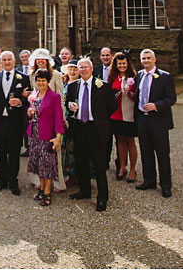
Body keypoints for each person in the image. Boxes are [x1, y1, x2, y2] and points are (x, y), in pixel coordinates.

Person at [66, 58, 117, 211]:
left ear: (91, 69)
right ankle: (85, 190)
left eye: (85, 67)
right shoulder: (73, 86)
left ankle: (102, 197)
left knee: (99, 164)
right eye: (80, 67)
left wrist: (99, 117)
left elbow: (112, 107)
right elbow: (68, 102)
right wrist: (70, 105)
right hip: (79, 127)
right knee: (81, 161)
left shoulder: (103, 86)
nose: (82, 70)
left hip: (95, 128)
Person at [134, 49, 177, 198]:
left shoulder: (165, 77)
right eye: (143, 58)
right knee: (146, 152)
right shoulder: (139, 75)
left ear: (154, 59)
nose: (145, 61)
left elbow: (171, 98)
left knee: (162, 154)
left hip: (158, 120)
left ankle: (165, 185)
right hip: (142, 119)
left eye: (148, 58)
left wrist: (156, 105)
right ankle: (149, 180)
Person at [24, 48, 67, 192]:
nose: (41, 61)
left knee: (52, 154)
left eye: (43, 59)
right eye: (38, 59)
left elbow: (60, 97)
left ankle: (56, 182)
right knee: (37, 154)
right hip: (37, 121)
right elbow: (34, 96)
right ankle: (39, 181)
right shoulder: (31, 75)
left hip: (52, 118)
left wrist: (61, 120)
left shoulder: (56, 75)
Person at [0, 51, 29, 195]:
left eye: (9, 59)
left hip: (15, 121)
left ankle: (13, 181)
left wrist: (20, 101)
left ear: (14, 60)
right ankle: (1, 180)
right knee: (1, 151)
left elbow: (28, 99)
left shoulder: (23, 78)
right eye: (4, 60)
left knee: (14, 152)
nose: (6, 62)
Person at [109, 51, 138, 182]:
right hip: (116, 114)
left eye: (124, 63)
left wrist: (131, 93)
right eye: (119, 63)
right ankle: (122, 166)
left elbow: (139, 96)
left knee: (130, 141)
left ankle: (132, 169)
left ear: (128, 64)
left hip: (129, 113)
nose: (121, 66)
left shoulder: (134, 76)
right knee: (119, 140)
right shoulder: (112, 77)